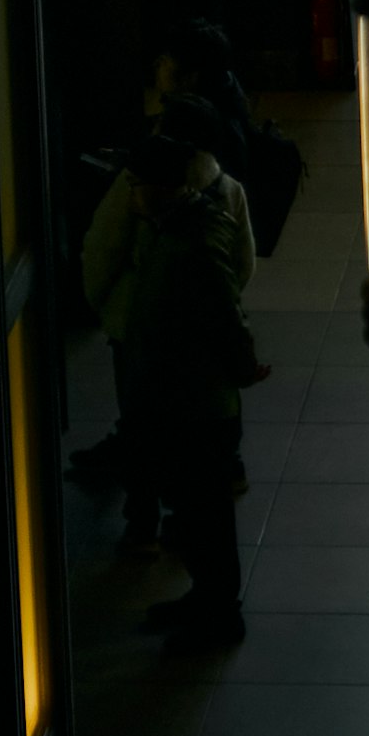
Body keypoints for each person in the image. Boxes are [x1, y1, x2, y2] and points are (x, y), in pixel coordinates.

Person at [107, 132, 258, 645]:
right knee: (193, 513)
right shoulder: (167, 228)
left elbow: (224, 312)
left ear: (161, 187)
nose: (130, 195)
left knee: (206, 515)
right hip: (176, 399)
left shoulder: (191, 240)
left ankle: (218, 614)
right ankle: (204, 598)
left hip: (196, 406)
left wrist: (241, 365)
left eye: (135, 184)